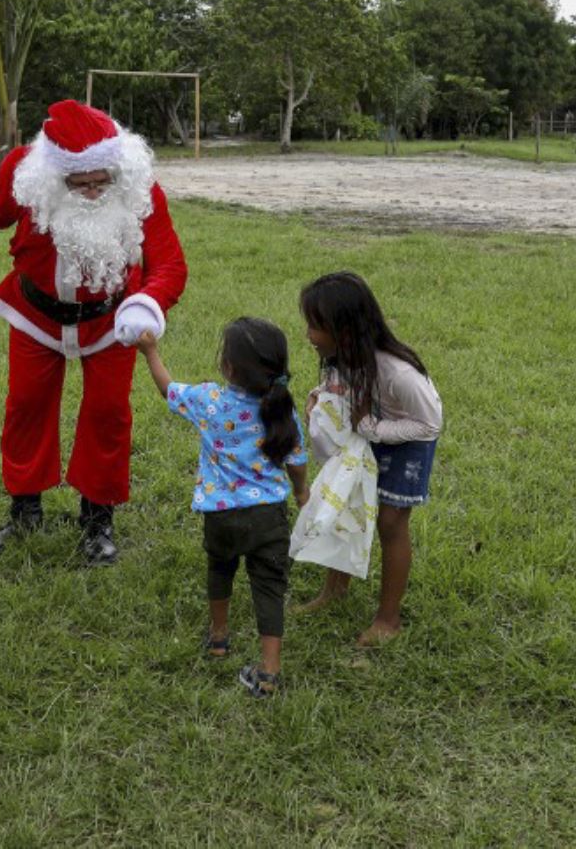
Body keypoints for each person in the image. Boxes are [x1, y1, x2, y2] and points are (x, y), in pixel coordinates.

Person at [0, 100, 188, 564]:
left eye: (100, 182)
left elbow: (170, 264)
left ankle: (97, 519)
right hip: (34, 315)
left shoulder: (141, 191)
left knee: (108, 413)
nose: (90, 191)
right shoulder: (29, 177)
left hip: (111, 320)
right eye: (78, 183)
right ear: (54, 176)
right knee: (26, 405)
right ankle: (24, 510)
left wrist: (147, 303)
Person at [137, 320, 307, 698]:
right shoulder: (281, 409)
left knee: (220, 569)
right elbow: (296, 462)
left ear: (228, 368)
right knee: (269, 587)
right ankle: (270, 672)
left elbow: (168, 388)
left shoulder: (211, 400)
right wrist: (301, 492)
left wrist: (150, 353)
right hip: (269, 517)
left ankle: (218, 639)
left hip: (221, 515)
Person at [294, 272, 442, 647]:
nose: (308, 335)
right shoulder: (339, 357)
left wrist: (373, 429)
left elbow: (430, 423)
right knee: (344, 505)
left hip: (406, 439)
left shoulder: (398, 372)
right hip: (366, 432)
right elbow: (338, 388)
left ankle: (388, 619)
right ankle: (334, 590)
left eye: (314, 326)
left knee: (391, 523)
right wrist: (317, 396)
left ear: (344, 329)